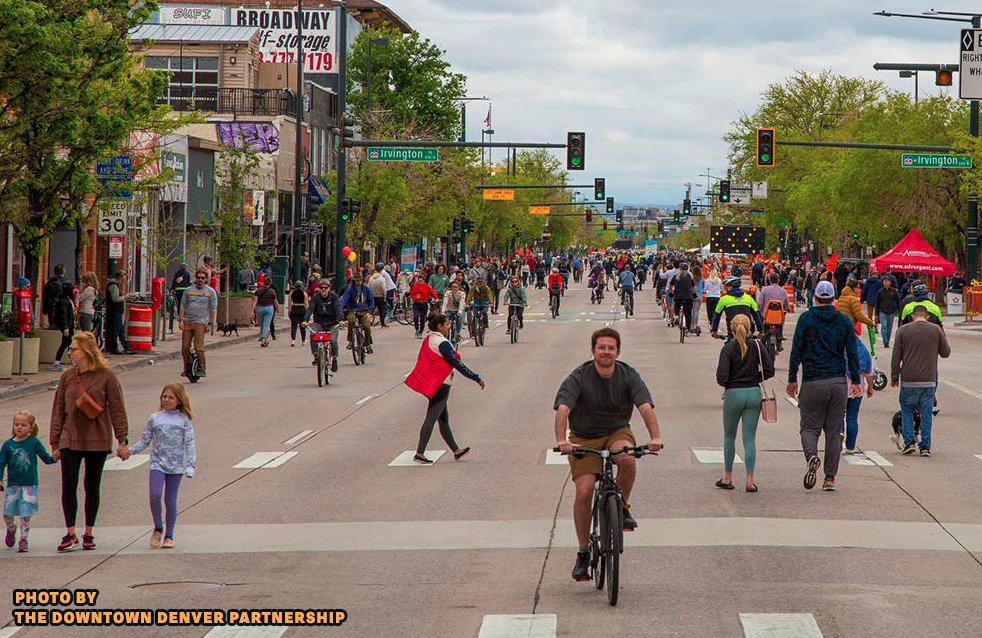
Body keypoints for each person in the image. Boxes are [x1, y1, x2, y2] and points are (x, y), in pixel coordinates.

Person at [554, 327, 664, 582]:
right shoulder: (579, 376)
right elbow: (562, 409)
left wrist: (655, 437)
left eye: (611, 348)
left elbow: (645, 406)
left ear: (618, 351)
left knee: (626, 458)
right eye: (601, 348)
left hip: (617, 430)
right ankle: (583, 552)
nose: (606, 352)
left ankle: (622, 507)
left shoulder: (627, 374)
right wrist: (562, 440)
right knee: (584, 491)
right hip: (584, 437)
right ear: (593, 351)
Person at [50, 332, 130, 552]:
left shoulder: (107, 376)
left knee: (91, 486)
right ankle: (70, 532)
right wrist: (55, 442)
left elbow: (117, 409)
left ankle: (89, 532)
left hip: (97, 438)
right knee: (68, 484)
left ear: (86, 351)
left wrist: (122, 439)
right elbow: (59, 411)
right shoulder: (66, 377)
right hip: (70, 436)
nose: (70, 352)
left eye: (73, 348)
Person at [787, 281, 861, 492]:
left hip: (812, 381)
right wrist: (855, 380)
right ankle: (830, 478)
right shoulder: (844, 321)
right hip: (837, 382)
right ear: (833, 299)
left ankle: (812, 457)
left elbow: (796, 350)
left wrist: (792, 378)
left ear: (816, 298)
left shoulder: (806, 318)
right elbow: (852, 353)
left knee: (809, 427)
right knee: (834, 430)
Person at [404, 313, 485, 464]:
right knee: (432, 417)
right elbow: (457, 364)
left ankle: (456, 450)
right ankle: (420, 453)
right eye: (447, 325)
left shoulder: (430, 339)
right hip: (440, 385)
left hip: (434, 383)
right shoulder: (442, 343)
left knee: (443, 419)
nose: (449, 327)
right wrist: (475, 377)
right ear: (439, 326)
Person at [128, 384, 196, 549]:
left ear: (179, 400)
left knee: (170, 499)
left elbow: (190, 443)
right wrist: (129, 451)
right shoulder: (155, 418)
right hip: (157, 463)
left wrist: (190, 465)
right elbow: (145, 440)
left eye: (171, 397)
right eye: (164, 396)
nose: (166, 400)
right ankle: (158, 527)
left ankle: (169, 535)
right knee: (155, 494)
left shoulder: (183, 420)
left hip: (176, 466)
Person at [715, 315, 773, 492]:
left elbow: (722, 378)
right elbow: (769, 369)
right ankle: (749, 481)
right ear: (749, 328)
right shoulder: (757, 346)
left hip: (733, 393)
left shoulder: (728, 349)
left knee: (729, 437)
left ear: (732, 329)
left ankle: (728, 477)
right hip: (753, 392)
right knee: (749, 438)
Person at [891, 305, 951, 456]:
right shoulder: (936, 330)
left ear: (912, 316)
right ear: (927, 316)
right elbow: (946, 353)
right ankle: (925, 446)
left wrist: (894, 376)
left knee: (907, 410)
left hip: (908, 379)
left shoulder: (903, 330)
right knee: (926, 413)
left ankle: (909, 442)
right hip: (929, 379)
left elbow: (896, 356)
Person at [1, 411, 56, 553]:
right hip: (13, 484)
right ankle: (11, 529)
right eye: (16, 424)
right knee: (8, 512)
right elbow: (1, 463)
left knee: (26, 513)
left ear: (31, 428)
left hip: (29, 484)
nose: (19, 427)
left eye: (23, 425)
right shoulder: (7, 445)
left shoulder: (34, 442)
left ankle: (23, 539)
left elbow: (46, 458)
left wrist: (55, 457)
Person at [178, 270, 218, 375]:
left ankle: (202, 368)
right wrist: (181, 320)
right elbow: (182, 305)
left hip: (201, 323)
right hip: (187, 322)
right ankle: (187, 368)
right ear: (195, 278)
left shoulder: (210, 292)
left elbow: (213, 309)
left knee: (198, 347)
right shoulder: (188, 290)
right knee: (185, 347)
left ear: (206, 279)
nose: (200, 280)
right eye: (198, 278)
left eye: (202, 278)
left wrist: (210, 324)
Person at [843, 332, 874, 455]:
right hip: (857, 389)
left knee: (838, 416)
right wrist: (870, 388)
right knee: (852, 417)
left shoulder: (840, 348)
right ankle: (850, 447)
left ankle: (838, 437)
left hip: (840, 388)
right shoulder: (862, 350)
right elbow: (869, 373)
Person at [303, 279, 342, 370]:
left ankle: (334, 357)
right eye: (321, 288)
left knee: (332, 340)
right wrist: (305, 320)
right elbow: (310, 309)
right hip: (319, 323)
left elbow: (337, 309)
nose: (323, 290)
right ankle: (316, 355)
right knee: (313, 334)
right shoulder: (315, 297)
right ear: (319, 288)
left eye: (326, 288)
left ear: (329, 288)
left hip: (332, 323)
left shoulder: (334, 297)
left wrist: (340, 320)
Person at [338, 273, 375, 354]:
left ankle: (368, 344)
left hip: (365, 310)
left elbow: (371, 300)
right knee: (351, 321)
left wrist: (369, 312)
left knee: (366, 326)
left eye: (360, 281)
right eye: (356, 281)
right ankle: (351, 341)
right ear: (354, 281)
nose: (358, 282)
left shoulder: (366, 289)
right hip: (353, 310)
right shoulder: (350, 289)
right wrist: (340, 308)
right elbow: (344, 299)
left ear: (362, 280)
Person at [104, 271, 134, 355]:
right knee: (115, 330)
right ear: (119, 277)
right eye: (122, 279)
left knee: (119, 330)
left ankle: (125, 347)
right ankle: (114, 348)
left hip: (116, 311)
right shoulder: (113, 285)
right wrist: (125, 297)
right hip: (114, 311)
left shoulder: (113, 284)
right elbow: (115, 299)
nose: (122, 282)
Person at [757, 272, 789, 349]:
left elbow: (760, 304)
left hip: (766, 317)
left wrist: (761, 312)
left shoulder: (764, 290)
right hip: (778, 318)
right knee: (781, 323)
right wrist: (786, 310)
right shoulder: (783, 291)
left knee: (764, 329)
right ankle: (779, 341)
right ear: (778, 280)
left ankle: (762, 343)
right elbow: (786, 304)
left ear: (769, 280)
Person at [52, 281, 75, 372]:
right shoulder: (63, 301)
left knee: (69, 343)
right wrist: (65, 327)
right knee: (66, 344)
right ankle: (57, 362)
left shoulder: (66, 300)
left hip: (69, 326)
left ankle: (73, 361)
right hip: (67, 326)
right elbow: (63, 314)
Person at [251, 278, 279, 347]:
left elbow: (255, 301)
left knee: (262, 324)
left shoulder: (258, 290)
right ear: (270, 283)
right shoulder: (272, 291)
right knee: (266, 324)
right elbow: (275, 301)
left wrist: (252, 311)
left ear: (264, 282)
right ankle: (264, 340)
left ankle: (263, 337)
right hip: (269, 308)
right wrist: (278, 309)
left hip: (259, 308)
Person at [875, 276, 902, 348]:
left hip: (891, 312)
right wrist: (876, 314)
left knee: (889, 327)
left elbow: (898, 301)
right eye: (884, 281)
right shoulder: (880, 292)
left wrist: (900, 311)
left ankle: (888, 340)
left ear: (890, 282)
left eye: (887, 281)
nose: (886, 282)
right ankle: (885, 341)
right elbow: (877, 303)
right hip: (882, 311)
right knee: (884, 326)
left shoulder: (894, 291)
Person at [409, 274, 438, 338]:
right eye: (419, 281)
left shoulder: (427, 287)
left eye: (421, 281)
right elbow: (411, 294)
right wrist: (415, 297)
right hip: (416, 303)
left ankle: (420, 332)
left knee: (423, 318)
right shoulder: (415, 287)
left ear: (423, 281)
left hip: (424, 304)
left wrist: (436, 298)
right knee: (416, 317)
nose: (420, 282)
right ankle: (417, 329)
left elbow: (432, 292)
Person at [42, 263, 67, 328]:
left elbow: (44, 295)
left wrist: (44, 308)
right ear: (63, 271)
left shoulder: (49, 282)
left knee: (52, 323)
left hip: (50, 305)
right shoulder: (64, 282)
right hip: (61, 306)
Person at [670, 263, 694, 329]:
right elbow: (693, 287)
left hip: (678, 296)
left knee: (677, 306)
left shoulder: (676, 276)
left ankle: (677, 315)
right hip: (688, 297)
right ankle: (688, 328)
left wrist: (670, 292)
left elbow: (670, 285)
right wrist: (694, 294)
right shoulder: (690, 276)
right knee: (688, 313)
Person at [288, 281, 309, 346]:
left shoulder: (291, 293)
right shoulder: (304, 293)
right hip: (302, 308)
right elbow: (306, 303)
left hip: (294, 308)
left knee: (294, 325)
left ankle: (293, 340)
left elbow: (289, 303)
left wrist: (290, 311)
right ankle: (303, 340)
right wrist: (307, 312)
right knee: (302, 326)